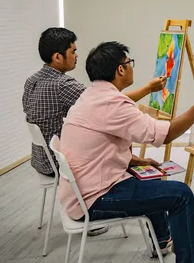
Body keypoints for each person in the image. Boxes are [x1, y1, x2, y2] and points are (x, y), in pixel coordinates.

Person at [57, 41, 194, 263]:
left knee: (152, 177)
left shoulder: (90, 97)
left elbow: (97, 146)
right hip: (94, 199)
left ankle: (161, 239)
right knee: (181, 195)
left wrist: (133, 161)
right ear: (120, 69)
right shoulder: (114, 105)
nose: (131, 67)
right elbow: (166, 134)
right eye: (129, 63)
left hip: (79, 191)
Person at [23, 28, 166, 178]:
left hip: (41, 159)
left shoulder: (31, 80)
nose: (77, 55)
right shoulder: (63, 84)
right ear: (58, 57)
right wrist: (149, 88)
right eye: (73, 52)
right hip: (60, 163)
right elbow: (107, 102)